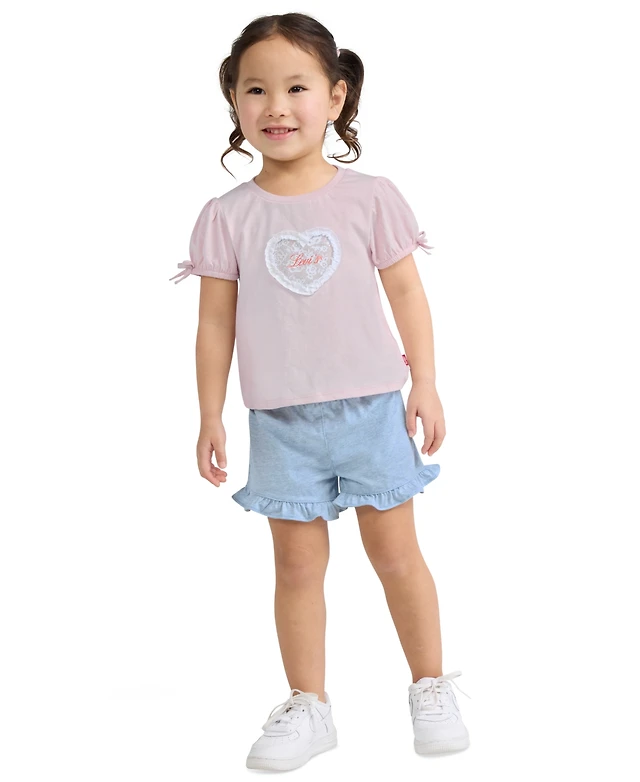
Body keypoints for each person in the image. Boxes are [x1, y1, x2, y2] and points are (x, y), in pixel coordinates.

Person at [170, 12, 471, 772]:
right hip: (280, 424)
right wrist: (209, 413)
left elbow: (408, 294)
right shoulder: (228, 216)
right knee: (297, 568)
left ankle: (430, 686)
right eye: (256, 90)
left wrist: (426, 382)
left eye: (296, 88)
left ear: (335, 97)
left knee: (396, 556)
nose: (276, 106)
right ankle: (310, 705)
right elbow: (214, 324)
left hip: (372, 411)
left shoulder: (370, 197)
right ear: (234, 102)